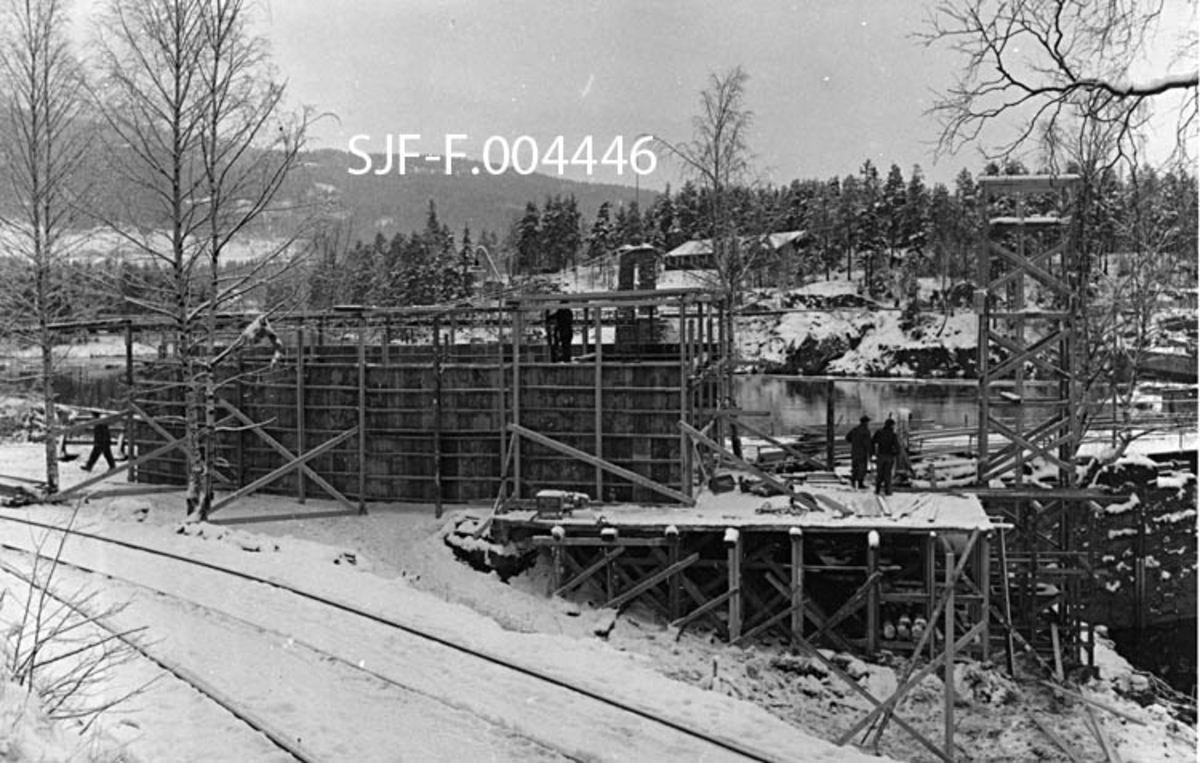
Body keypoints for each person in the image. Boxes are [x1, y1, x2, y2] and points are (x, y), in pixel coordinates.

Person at [872, 417, 902, 496]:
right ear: (891, 425)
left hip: (880, 455)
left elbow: (873, 442)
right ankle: (887, 490)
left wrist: (874, 452)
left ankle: (877, 489)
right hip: (889, 456)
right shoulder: (893, 435)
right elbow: (897, 447)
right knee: (887, 474)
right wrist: (895, 453)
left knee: (879, 473)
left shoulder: (879, 432)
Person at [845, 415, 873, 489]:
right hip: (862, 453)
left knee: (855, 467)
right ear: (865, 422)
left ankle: (854, 482)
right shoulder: (866, 431)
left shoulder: (855, 429)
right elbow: (868, 443)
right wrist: (871, 452)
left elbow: (847, 438)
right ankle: (860, 483)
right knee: (862, 468)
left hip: (854, 451)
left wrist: (854, 442)